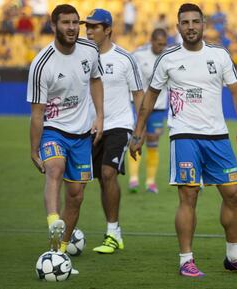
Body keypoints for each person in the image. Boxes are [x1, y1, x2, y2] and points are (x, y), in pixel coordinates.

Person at [130, 3, 237, 277]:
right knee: (189, 195)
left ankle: (235, 256)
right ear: (178, 27)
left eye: (195, 21)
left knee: (233, 195)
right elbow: (150, 98)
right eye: (185, 22)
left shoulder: (220, 55)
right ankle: (186, 260)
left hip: (218, 136)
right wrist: (138, 132)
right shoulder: (167, 58)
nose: (190, 26)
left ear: (203, 24)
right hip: (184, 135)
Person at [27, 4, 104, 273]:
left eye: (75, 23)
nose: (72, 27)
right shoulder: (42, 63)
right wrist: (34, 149)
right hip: (54, 129)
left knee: (76, 196)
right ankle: (52, 221)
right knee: (55, 167)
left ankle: (59, 253)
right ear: (54, 26)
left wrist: (100, 117)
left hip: (82, 134)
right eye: (66, 23)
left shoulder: (90, 51)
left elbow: (96, 81)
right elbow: (37, 113)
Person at [81, 8, 143, 254]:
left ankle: (113, 232)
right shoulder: (81, 58)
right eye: (88, 26)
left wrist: (139, 131)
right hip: (88, 126)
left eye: (94, 26)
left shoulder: (125, 59)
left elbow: (139, 94)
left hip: (119, 124)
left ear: (108, 30)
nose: (88, 30)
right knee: (90, 181)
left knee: (108, 174)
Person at [128, 28, 168, 194]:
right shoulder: (138, 55)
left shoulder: (168, 56)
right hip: (139, 106)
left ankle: (151, 182)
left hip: (158, 107)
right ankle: (133, 180)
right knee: (137, 138)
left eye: (164, 44)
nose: (162, 47)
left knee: (153, 142)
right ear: (151, 41)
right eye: (159, 44)